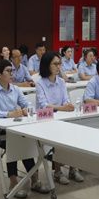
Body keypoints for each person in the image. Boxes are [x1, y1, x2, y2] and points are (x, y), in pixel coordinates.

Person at [0, 59, 50, 199]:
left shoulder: (15, 89)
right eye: (8, 71)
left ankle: (34, 179)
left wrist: (26, 110)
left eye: (12, 70)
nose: (11, 74)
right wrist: (8, 114)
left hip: (12, 128)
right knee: (14, 143)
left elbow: (27, 104)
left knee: (24, 141)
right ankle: (13, 182)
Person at [35, 52, 82, 184]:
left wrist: (68, 105)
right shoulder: (40, 83)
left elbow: (65, 99)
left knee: (74, 135)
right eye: (55, 64)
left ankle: (73, 169)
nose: (58, 66)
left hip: (61, 117)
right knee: (58, 137)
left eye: (59, 64)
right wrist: (62, 108)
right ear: (47, 65)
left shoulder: (61, 81)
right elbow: (44, 105)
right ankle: (57, 171)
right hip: (45, 121)